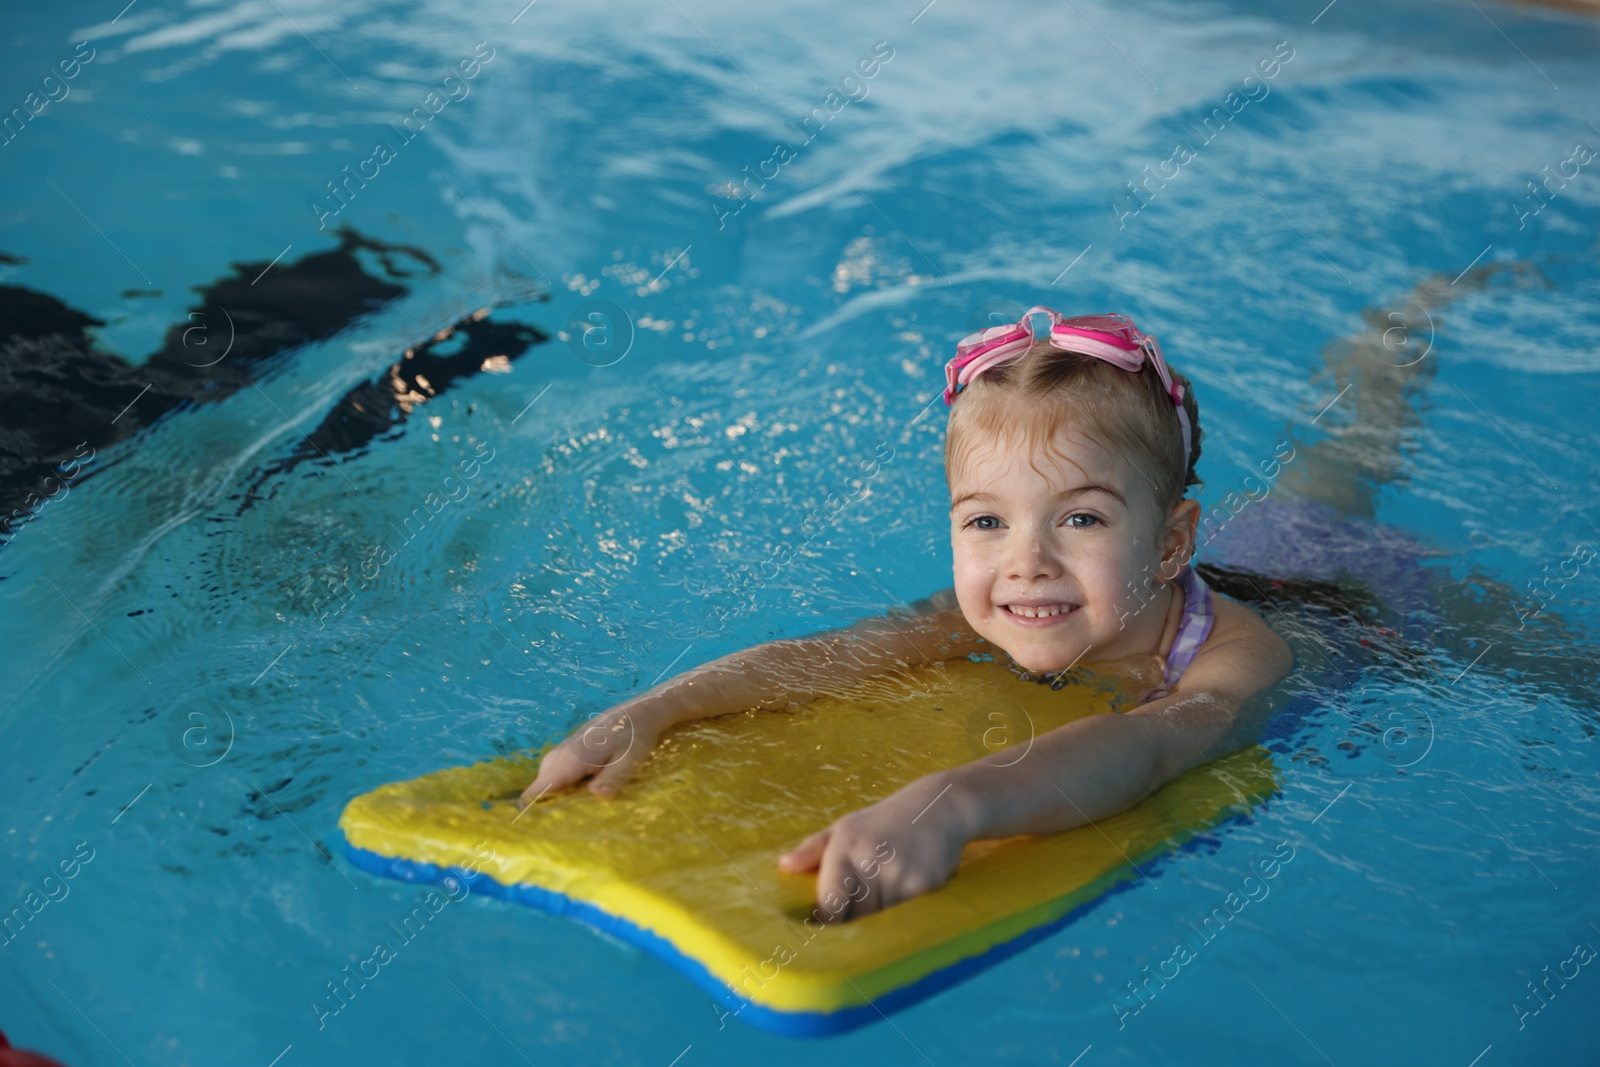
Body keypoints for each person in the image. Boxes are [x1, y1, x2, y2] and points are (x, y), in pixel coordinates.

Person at [519, 307, 1293, 920]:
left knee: (1324, 491)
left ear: (1169, 545)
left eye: (1081, 519)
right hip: (1199, 555)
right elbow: (835, 655)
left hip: (1343, 598)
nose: (1026, 563)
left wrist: (952, 802)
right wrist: (654, 707)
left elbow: (1149, 746)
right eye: (988, 521)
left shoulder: (1236, 663)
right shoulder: (991, 609)